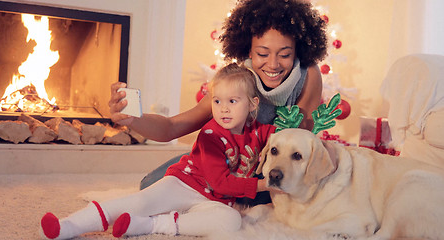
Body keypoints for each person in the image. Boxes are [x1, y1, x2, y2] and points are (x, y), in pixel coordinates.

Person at [109, 0, 327, 201]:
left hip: (267, 169)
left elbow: (301, 137)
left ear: (297, 51)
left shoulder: (308, 75)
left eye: (285, 55)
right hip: (226, 159)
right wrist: (133, 119)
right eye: (262, 53)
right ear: (248, 51)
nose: (273, 64)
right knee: (150, 185)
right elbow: (172, 127)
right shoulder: (236, 81)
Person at [40, 63, 279, 239]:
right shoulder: (210, 136)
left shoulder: (259, 132)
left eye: (232, 102)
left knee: (231, 221)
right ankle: (68, 226)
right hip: (184, 184)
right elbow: (219, 183)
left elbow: (284, 139)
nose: (223, 109)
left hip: (216, 201)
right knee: (141, 201)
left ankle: (151, 226)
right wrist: (262, 185)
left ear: (253, 104)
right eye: (217, 101)